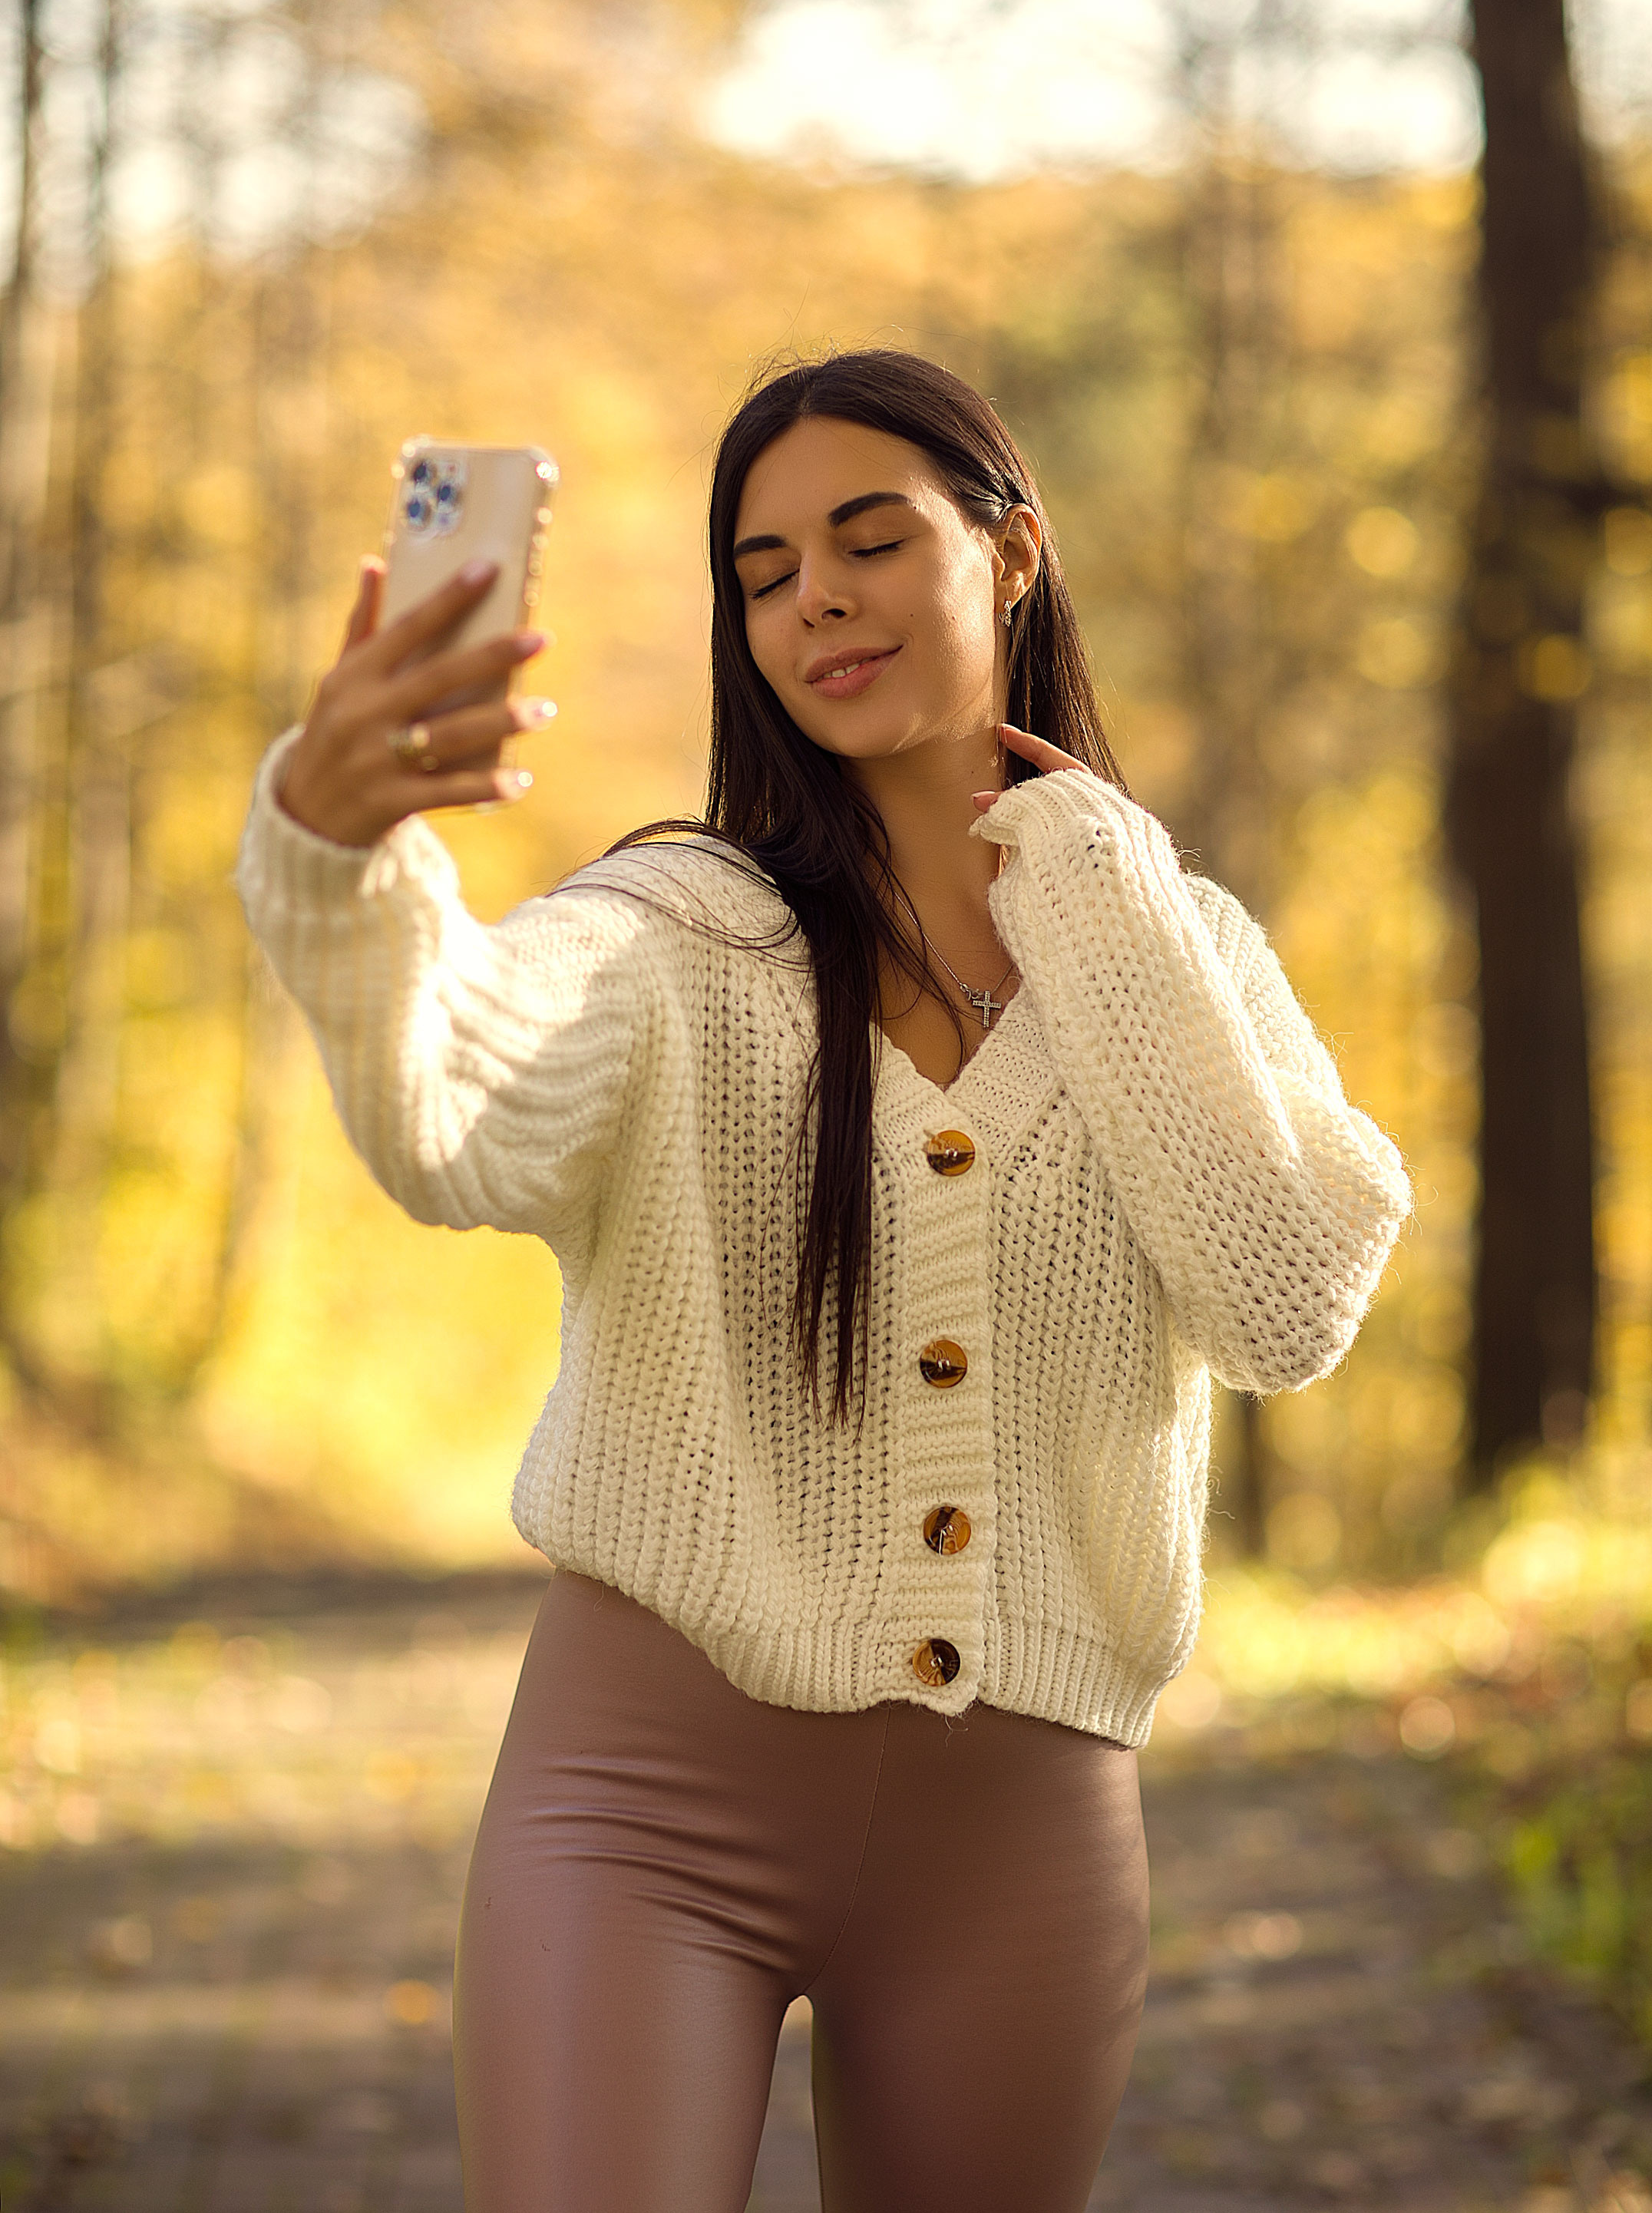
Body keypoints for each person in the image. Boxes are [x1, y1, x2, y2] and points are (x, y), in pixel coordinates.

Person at [237, 350, 1410, 2213]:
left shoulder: (1169, 943)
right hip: (640, 1812)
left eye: (869, 542)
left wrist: (1089, 891)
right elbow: (450, 1108)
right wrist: (335, 843)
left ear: (1009, 554)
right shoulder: (672, 929)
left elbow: (1285, 1301)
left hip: (1021, 1840)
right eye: (765, 572)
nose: (816, 603)